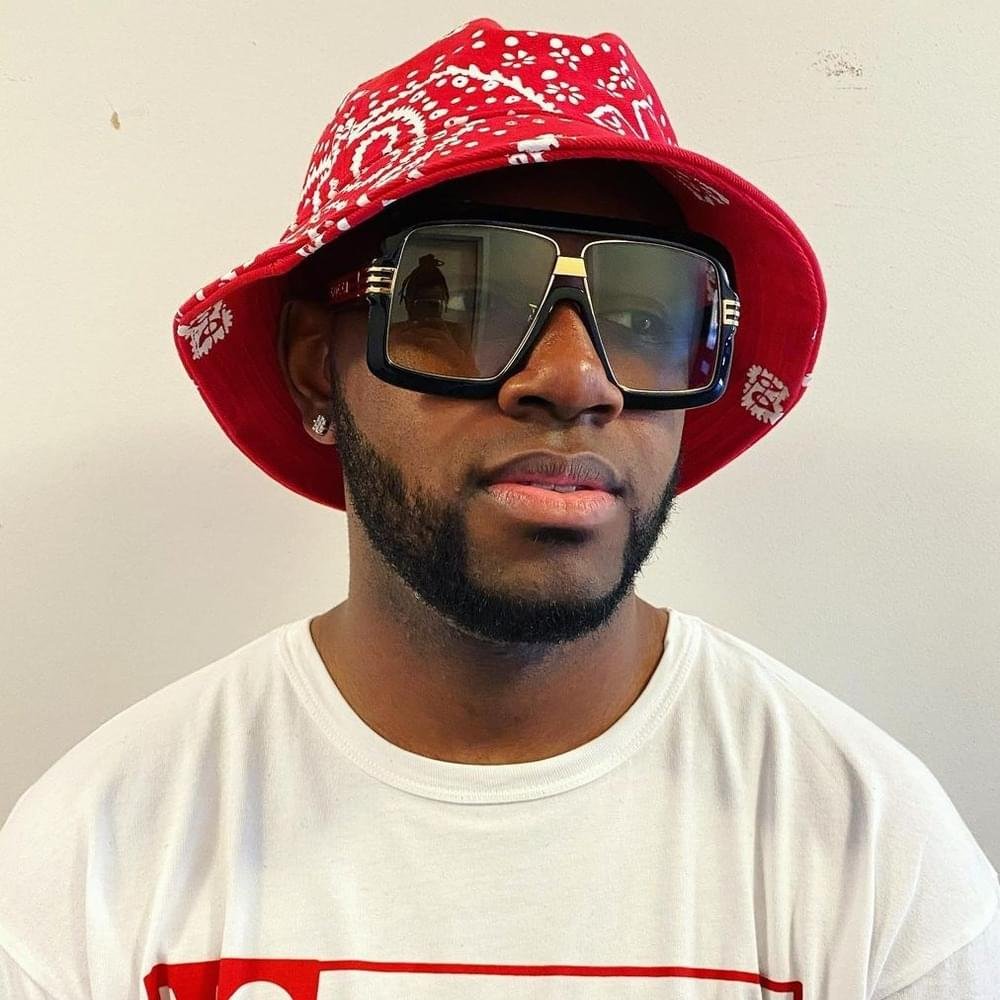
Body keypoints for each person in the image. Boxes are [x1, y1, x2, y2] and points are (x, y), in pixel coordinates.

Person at [1, 17, 997, 1000]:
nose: (575, 379)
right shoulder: (98, 855)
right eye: (467, 299)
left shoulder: (871, 850)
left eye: (647, 316)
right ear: (316, 364)